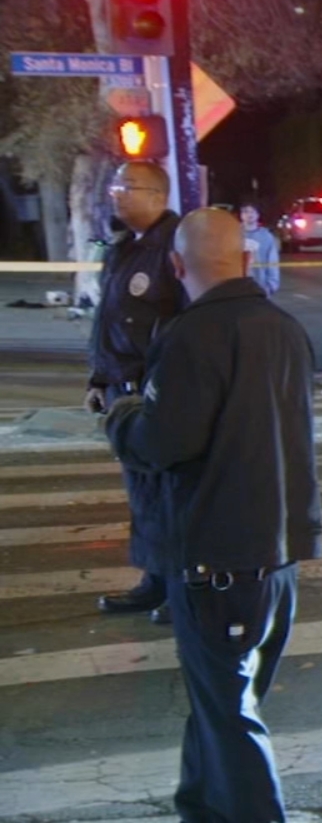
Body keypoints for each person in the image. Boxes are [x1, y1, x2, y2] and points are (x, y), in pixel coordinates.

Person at [105, 206, 322, 823]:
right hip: (279, 555)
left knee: (228, 716)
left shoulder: (189, 336)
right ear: (247, 258)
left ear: (176, 266)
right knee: (221, 705)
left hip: (216, 555)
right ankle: (199, 807)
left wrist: (120, 416)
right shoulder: (285, 328)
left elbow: (161, 444)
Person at [88, 161, 186, 626]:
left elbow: (186, 327)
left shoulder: (175, 246)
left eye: (126, 187)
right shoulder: (124, 247)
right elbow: (107, 320)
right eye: (115, 186)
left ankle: (179, 586)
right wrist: (99, 379)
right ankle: (155, 580)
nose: (116, 194)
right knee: (141, 494)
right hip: (121, 391)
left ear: (156, 195)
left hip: (156, 392)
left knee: (167, 493)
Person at [240, 203, 281, 297]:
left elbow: (272, 261)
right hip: (237, 285)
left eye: (252, 211)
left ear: (258, 215)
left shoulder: (266, 236)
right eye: (246, 212)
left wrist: (271, 285)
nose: (249, 215)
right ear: (241, 215)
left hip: (260, 286)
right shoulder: (232, 234)